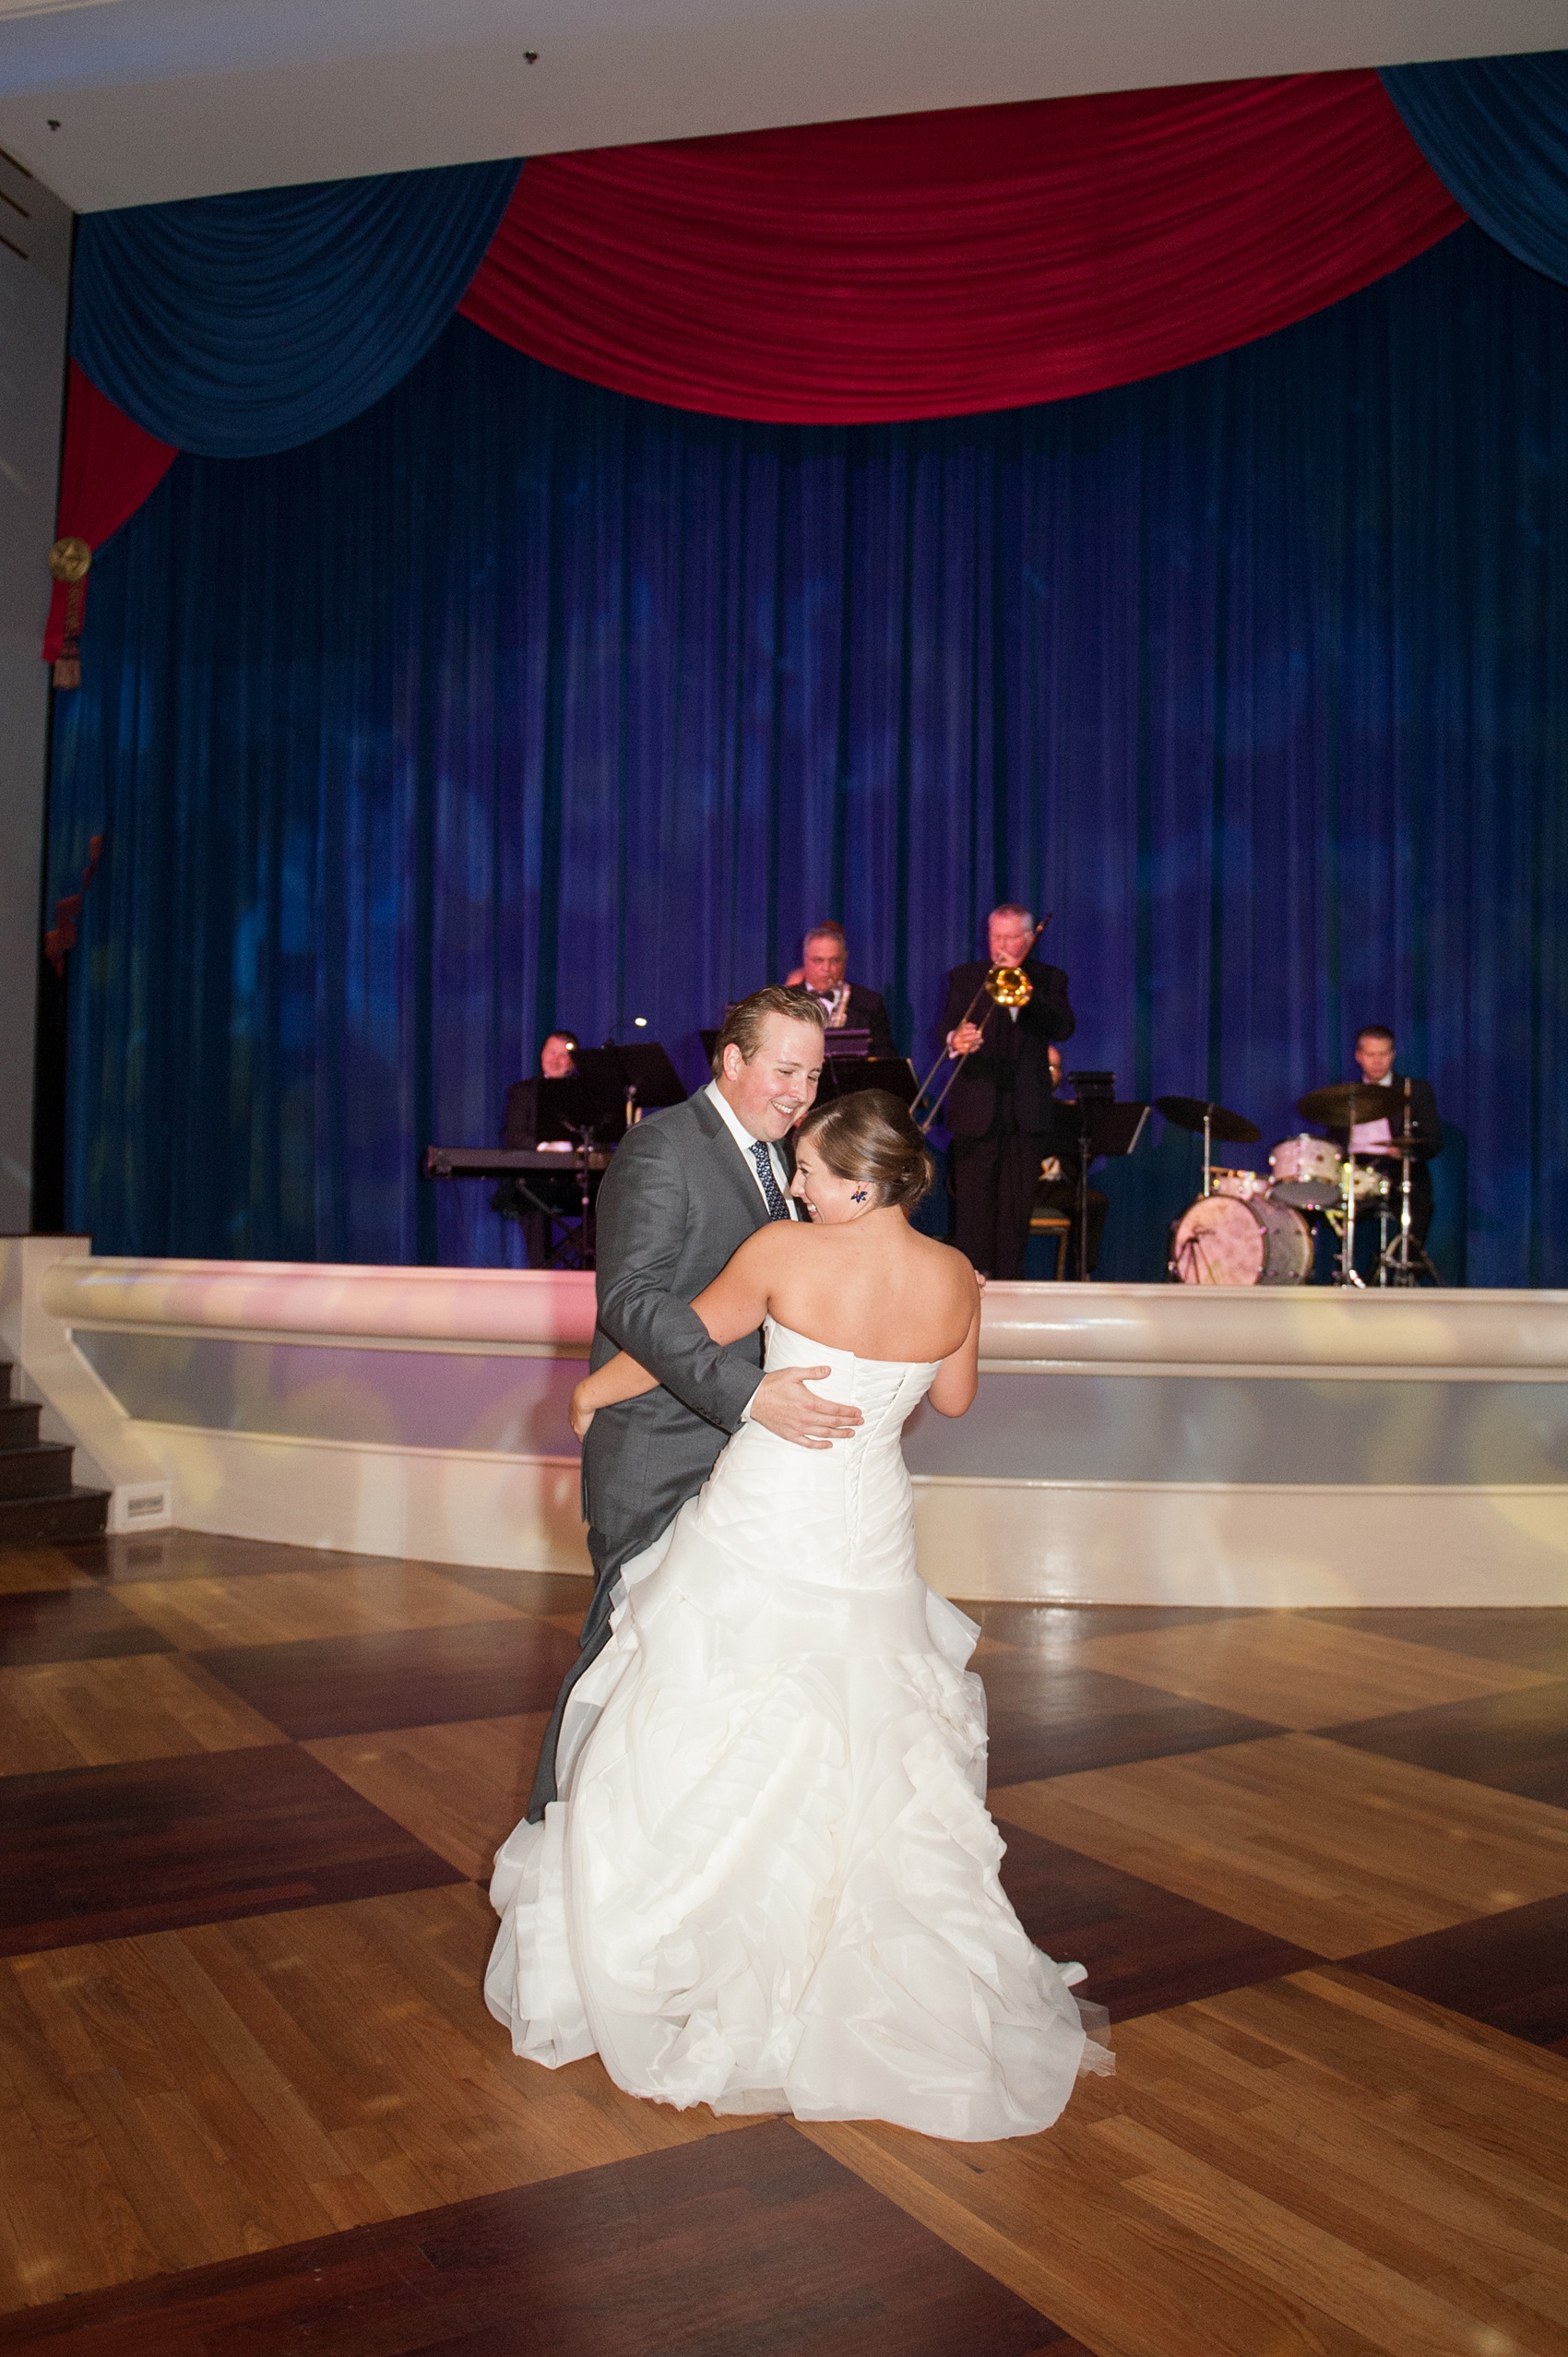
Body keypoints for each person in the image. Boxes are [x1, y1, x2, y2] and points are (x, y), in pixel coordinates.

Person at [487, 1089, 1111, 2139]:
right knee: (867, 1739)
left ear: (858, 1182)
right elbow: (950, 1402)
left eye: (811, 1169)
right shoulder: (956, 1274)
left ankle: (679, 1956)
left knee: (701, 1718)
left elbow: (683, 1338)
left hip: (768, 1516)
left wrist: (596, 1394)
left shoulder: (783, 1250)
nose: (794, 1181)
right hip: (869, 1533)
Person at [525, 985, 852, 1819]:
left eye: (813, 1076)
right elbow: (630, 1300)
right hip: (656, 1450)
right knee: (616, 1662)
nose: (800, 1094)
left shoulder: (788, 1156)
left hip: (740, 1464)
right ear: (731, 1060)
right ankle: (554, 1843)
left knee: (692, 1675)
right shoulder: (661, 1147)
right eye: (785, 1070)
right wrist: (748, 1396)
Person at [940, 903, 1075, 1279]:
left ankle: (1010, 1303)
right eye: (995, 936)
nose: (1001, 945)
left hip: (1025, 1116)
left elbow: (1063, 1027)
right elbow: (947, 1028)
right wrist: (957, 1038)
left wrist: (1027, 995)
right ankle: (969, 1298)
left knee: (1015, 1221)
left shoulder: (1049, 980)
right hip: (975, 1112)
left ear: (1030, 938)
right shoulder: (966, 977)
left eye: (1011, 937)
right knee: (973, 1217)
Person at [1336, 1023, 1443, 1259]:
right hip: (1353, 1169)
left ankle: (1407, 1265)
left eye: (1383, 1054)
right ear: (1359, 1057)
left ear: (1393, 1055)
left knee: (1417, 1193)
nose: (1377, 1061)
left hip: (1397, 1167)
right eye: (1371, 1054)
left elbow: (1433, 1140)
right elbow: (1333, 1144)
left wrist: (1405, 1152)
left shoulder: (1414, 1090)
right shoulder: (1342, 1096)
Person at [494, 1030, 583, 1268]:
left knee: (606, 1198)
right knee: (532, 1197)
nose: (555, 1060)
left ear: (573, 1062)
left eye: (563, 1056)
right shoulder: (522, 1092)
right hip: (537, 1179)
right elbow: (514, 1137)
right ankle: (540, 1272)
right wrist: (545, 1148)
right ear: (542, 1054)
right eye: (551, 1052)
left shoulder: (585, 1094)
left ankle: (591, 1274)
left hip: (575, 1181)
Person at [1035, 1045, 1109, 1276]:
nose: (1050, 1072)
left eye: (1055, 1067)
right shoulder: (1011, 1109)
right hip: (1021, 1185)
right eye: (1045, 1065)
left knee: (1094, 1201)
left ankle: (1082, 1273)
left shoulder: (1069, 1113)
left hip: (1054, 1187)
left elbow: (1078, 1164)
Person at [784, 922, 897, 1056]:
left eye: (834, 961)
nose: (826, 969)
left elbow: (885, 1060)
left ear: (845, 960)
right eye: (818, 960)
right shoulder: (783, 1002)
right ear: (805, 960)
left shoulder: (870, 1003)